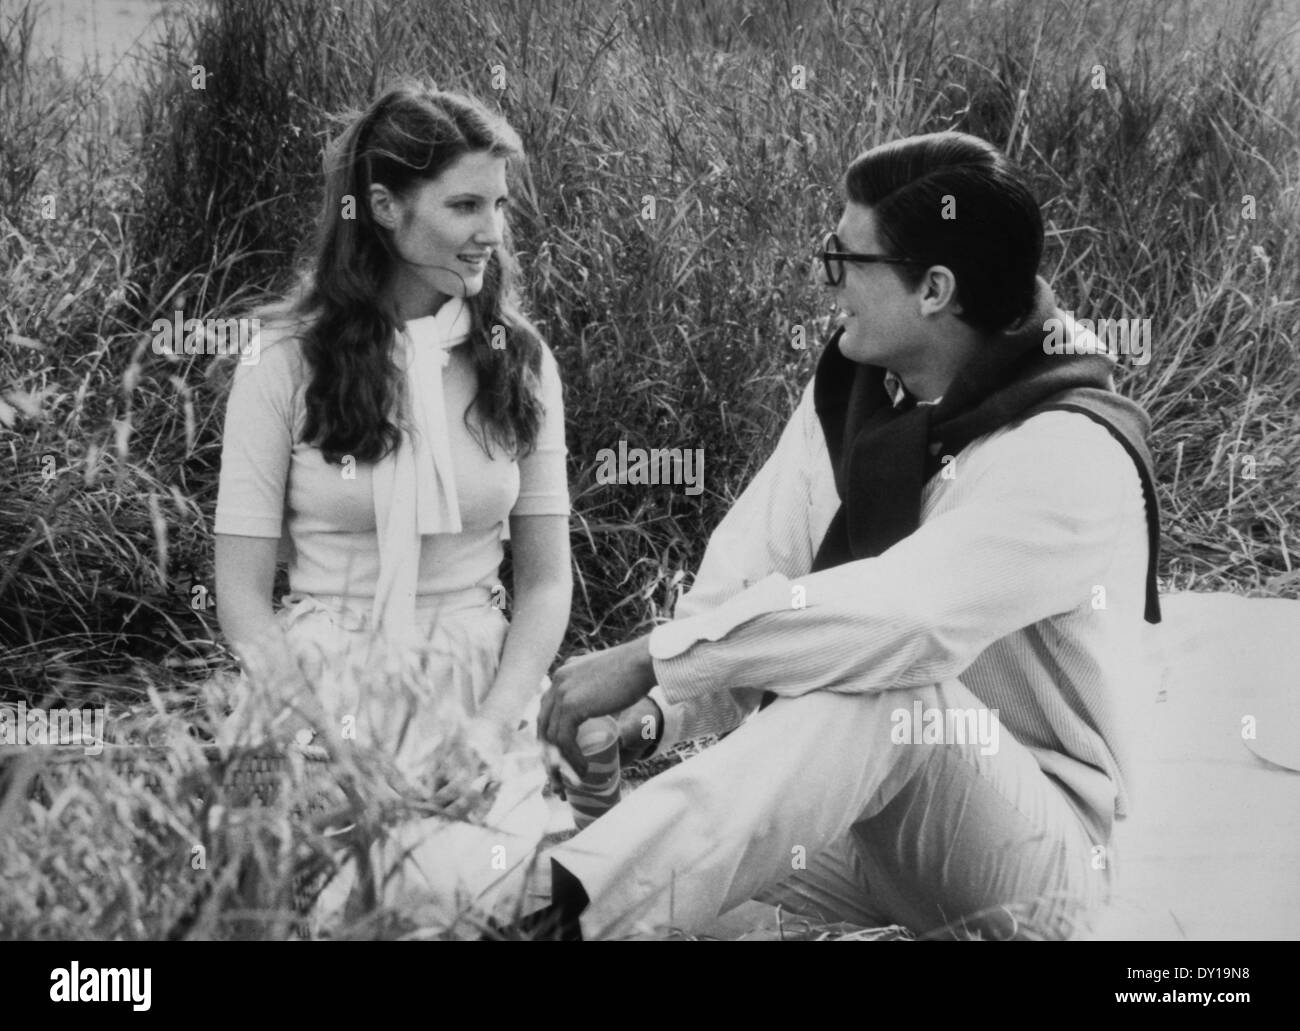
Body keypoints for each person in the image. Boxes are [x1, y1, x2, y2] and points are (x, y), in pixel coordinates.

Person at [535, 131, 1162, 941]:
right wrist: (650, 715)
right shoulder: (858, 394)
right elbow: (752, 579)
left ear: (933, 289)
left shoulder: (1071, 447)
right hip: (874, 834)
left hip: (1033, 860)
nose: (827, 284)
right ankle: (558, 900)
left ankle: (552, 921)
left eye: (845, 261)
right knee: (675, 902)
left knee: (895, 690)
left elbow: (903, 624)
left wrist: (651, 657)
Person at [212, 83, 571, 820]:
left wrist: (491, 728)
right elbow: (244, 598)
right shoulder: (280, 360)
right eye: (465, 206)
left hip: (476, 685)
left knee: (483, 897)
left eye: (499, 205)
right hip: (317, 684)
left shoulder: (521, 358)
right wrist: (328, 743)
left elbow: (544, 582)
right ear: (383, 208)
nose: (493, 231)